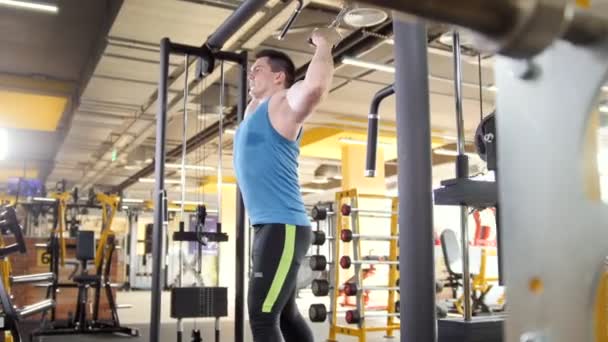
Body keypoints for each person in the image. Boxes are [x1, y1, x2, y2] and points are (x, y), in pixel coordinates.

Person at [233, 28, 338, 341]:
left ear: (279, 77)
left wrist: (324, 44)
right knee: (287, 315)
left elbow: (316, 87)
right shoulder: (254, 110)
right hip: (270, 227)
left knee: (263, 317)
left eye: (258, 69)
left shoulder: (281, 104)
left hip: (283, 227)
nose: (251, 74)